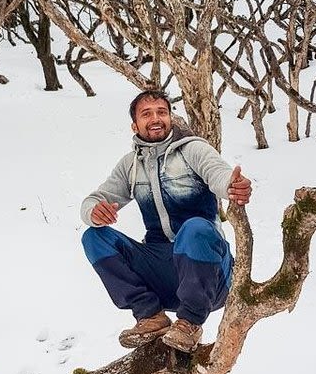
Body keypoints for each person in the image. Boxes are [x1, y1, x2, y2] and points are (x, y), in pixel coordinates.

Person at [80, 90, 252, 352]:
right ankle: (150, 315)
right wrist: (93, 211)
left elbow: (218, 174)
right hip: (163, 269)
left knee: (194, 227)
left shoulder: (192, 150)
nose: (156, 118)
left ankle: (190, 324)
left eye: (162, 112)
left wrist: (232, 186)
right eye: (146, 114)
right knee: (94, 236)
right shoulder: (130, 165)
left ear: (170, 117)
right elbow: (96, 198)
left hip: (210, 272)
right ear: (134, 125)